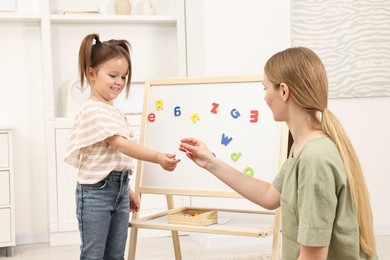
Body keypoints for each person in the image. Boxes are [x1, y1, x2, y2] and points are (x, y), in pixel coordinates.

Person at [179, 47, 377, 259]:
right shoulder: (303, 146)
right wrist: (210, 161)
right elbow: (270, 195)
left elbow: (313, 257)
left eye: (265, 89)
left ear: (283, 91)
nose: (264, 98)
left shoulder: (314, 159)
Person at [64, 33, 180, 260]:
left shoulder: (114, 111)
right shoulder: (93, 110)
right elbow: (120, 144)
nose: (119, 82)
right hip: (95, 195)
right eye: (113, 75)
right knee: (93, 255)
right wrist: (157, 157)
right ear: (91, 73)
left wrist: (124, 189)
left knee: (116, 254)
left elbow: (111, 159)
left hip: (118, 190)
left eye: (124, 76)